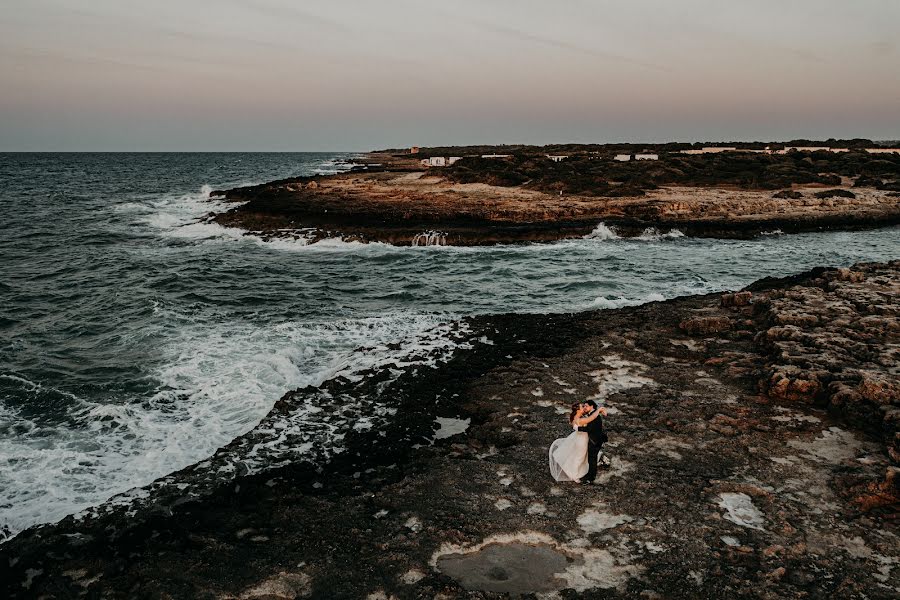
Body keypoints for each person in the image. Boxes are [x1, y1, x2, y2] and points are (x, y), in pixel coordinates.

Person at [548, 402, 604, 482]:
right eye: (582, 407)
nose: (584, 408)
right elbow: (591, 418)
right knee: (579, 458)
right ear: (578, 410)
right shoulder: (579, 419)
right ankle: (574, 474)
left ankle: (574, 469)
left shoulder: (577, 417)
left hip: (580, 438)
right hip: (581, 441)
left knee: (579, 456)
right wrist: (598, 411)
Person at [576, 400, 608, 484]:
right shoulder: (593, 415)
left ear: (591, 406)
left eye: (586, 406)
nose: (585, 407)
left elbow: (589, 429)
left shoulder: (595, 416)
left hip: (595, 440)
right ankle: (590, 474)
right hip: (595, 439)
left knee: (592, 459)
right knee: (591, 459)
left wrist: (578, 428)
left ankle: (591, 478)